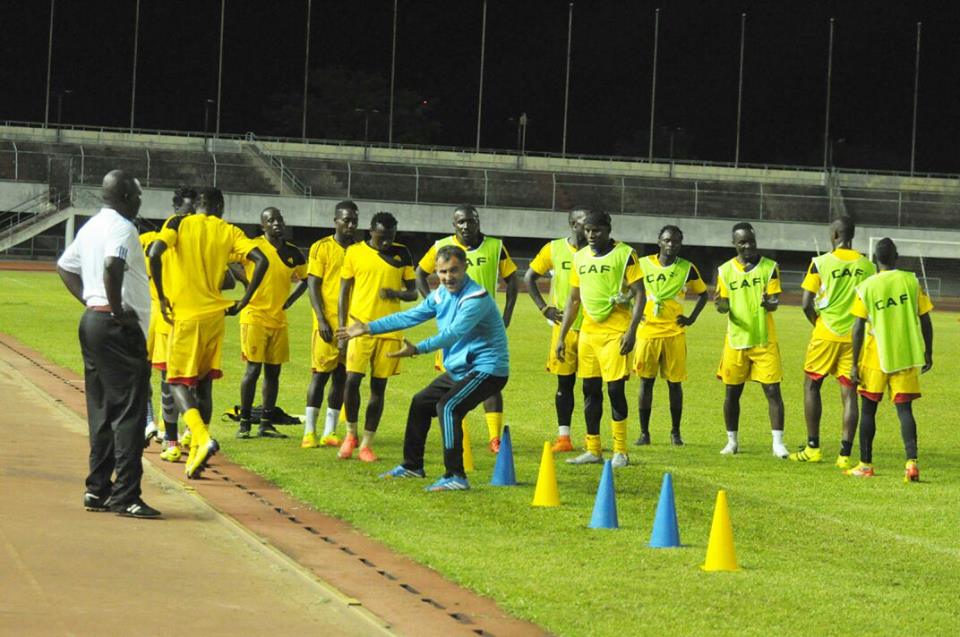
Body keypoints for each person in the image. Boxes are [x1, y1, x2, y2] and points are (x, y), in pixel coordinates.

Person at [338, 245, 509, 492]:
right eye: (442, 272)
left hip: (488, 369)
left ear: (465, 268)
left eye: (454, 271)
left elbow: (452, 334)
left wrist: (417, 348)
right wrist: (369, 327)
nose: (448, 277)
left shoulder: (476, 298)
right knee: (420, 403)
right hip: (462, 369)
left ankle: (456, 476)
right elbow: (411, 316)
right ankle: (412, 465)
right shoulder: (440, 295)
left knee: (448, 407)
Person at [57, 169, 160, 518]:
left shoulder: (92, 225)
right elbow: (113, 264)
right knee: (130, 412)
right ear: (127, 197)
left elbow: (64, 266)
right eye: (139, 196)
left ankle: (97, 490)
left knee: (101, 409)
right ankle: (126, 496)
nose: (141, 201)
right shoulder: (122, 227)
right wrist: (116, 311)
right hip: (117, 329)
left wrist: (91, 301)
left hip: (93, 322)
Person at [148, 186, 269, 479]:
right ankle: (197, 449)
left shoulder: (178, 223)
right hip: (216, 317)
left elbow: (155, 252)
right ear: (220, 206)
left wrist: (162, 296)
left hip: (186, 317)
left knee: (176, 381)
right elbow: (261, 261)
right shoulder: (229, 231)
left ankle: (201, 438)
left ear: (198, 205)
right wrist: (245, 300)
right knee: (204, 384)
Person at [416, 204, 518, 452]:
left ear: (478, 221)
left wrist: (506, 314)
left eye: (470, 221)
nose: (466, 225)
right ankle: (457, 437)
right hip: (454, 331)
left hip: (485, 329)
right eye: (460, 222)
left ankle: (495, 438)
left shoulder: (495, 246)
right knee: (454, 379)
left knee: (489, 381)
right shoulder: (441, 247)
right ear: (454, 224)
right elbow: (420, 272)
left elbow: (513, 279)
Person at [556, 209, 643, 469]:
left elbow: (640, 294)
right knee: (590, 390)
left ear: (608, 230)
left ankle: (620, 451)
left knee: (615, 390)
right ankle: (593, 448)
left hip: (616, 332)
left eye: (597, 230)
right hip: (589, 334)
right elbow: (573, 299)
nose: (591, 235)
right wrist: (562, 336)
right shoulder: (580, 257)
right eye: (588, 230)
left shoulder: (625, 254)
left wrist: (632, 331)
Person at [790, 216, 875, 468]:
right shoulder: (868, 266)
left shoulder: (820, 262)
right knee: (849, 393)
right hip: (854, 336)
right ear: (853, 236)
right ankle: (844, 455)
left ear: (835, 235)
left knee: (811, 386)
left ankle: (813, 448)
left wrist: (817, 322)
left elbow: (806, 303)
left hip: (825, 333)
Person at [845, 238, 933, 481]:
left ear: (876, 260)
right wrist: (929, 351)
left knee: (869, 411)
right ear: (897, 256)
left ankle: (865, 465)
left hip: (876, 356)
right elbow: (925, 318)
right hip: (905, 355)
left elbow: (857, 327)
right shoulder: (911, 281)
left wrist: (854, 363)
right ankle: (911, 463)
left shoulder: (867, 286)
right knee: (905, 410)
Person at [337, 211, 417, 462]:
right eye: (382, 237)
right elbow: (343, 291)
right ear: (371, 231)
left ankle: (367, 445)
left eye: (390, 237)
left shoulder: (402, 253)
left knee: (378, 388)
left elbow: (413, 293)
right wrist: (342, 328)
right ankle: (350, 434)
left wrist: (395, 293)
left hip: (390, 330)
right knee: (351, 381)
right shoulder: (355, 252)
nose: (386, 242)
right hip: (359, 327)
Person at [232, 207, 307, 439]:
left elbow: (307, 279)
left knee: (274, 373)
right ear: (262, 225)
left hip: (278, 319)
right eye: (270, 220)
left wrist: (291, 301)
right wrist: (245, 280)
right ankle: (244, 422)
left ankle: (266, 422)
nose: (276, 223)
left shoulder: (294, 253)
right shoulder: (253, 247)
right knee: (253, 370)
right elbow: (228, 259)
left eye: (279, 219)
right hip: (254, 315)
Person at [715, 222, 789, 458]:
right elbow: (723, 305)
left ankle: (778, 443)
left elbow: (775, 302)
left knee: (773, 391)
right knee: (731, 393)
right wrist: (720, 305)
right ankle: (732, 442)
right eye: (743, 242)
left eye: (752, 241)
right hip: (736, 340)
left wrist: (769, 303)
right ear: (734, 243)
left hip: (763, 340)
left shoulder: (769, 268)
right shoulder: (725, 270)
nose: (748, 246)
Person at [633, 224, 707, 447]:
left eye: (675, 241)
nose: (670, 244)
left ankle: (676, 432)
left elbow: (703, 294)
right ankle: (644, 433)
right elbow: (628, 291)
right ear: (659, 241)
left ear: (680, 244)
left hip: (674, 333)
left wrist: (691, 318)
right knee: (646, 383)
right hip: (648, 333)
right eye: (666, 240)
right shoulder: (643, 264)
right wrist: (634, 316)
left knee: (675, 384)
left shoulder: (687, 268)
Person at [524, 207, 588, 452]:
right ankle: (564, 438)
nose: (589, 228)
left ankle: (593, 437)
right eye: (584, 223)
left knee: (592, 386)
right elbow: (529, 277)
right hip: (565, 329)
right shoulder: (553, 249)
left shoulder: (598, 252)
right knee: (565, 384)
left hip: (594, 328)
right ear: (573, 225)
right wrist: (544, 308)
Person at [140, 186, 196, 462]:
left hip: (184, 315)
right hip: (160, 315)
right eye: (187, 210)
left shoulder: (194, 239)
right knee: (158, 374)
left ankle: (178, 431)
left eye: (195, 210)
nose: (191, 216)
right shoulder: (157, 238)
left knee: (188, 378)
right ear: (176, 209)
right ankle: (156, 425)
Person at [297, 201, 358, 449]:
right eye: (346, 220)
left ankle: (329, 431)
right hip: (327, 323)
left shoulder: (359, 250)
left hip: (350, 324)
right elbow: (312, 284)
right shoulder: (321, 247)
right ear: (336, 220)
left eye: (354, 220)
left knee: (341, 377)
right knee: (320, 375)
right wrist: (321, 319)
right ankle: (309, 432)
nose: (351, 225)